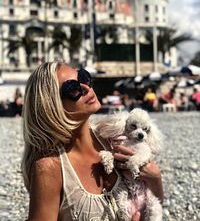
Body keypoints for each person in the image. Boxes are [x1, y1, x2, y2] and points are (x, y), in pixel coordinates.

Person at [21, 61, 163, 221]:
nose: (87, 88)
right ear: (51, 105)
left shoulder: (110, 136)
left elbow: (154, 205)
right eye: (73, 88)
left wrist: (155, 177)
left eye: (84, 77)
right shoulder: (50, 167)